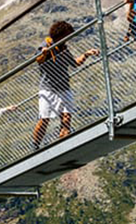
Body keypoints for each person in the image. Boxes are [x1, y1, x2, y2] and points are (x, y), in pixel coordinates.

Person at [32, 20, 99, 149]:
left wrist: (86, 54)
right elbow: (39, 59)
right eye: (67, 35)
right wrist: (44, 53)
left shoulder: (63, 48)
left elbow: (75, 63)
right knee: (45, 119)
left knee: (66, 118)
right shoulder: (46, 44)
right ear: (60, 34)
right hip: (48, 89)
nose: (69, 38)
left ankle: (63, 145)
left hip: (64, 87)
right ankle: (35, 146)